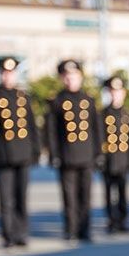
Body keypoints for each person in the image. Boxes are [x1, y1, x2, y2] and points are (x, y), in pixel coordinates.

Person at [0, 56, 40, 248]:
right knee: (6, 199)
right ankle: (8, 235)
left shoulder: (24, 97)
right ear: (0, 75)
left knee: (21, 197)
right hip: (3, 155)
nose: (8, 77)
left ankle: (21, 233)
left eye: (11, 73)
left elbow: (32, 127)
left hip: (23, 154)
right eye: (5, 73)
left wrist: (36, 151)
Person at [45, 59, 102, 242]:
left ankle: (85, 229)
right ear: (62, 79)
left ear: (80, 77)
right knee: (69, 197)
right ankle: (71, 229)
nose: (71, 80)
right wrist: (54, 154)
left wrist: (98, 153)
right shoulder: (57, 101)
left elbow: (96, 128)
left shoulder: (88, 100)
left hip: (86, 155)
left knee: (85, 195)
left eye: (74, 76)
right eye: (67, 76)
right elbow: (51, 130)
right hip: (66, 155)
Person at [100, 74, 129, 233]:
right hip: (109, 159)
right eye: (113, 91)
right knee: (109, 192)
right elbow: (100, 136)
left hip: (123, 158)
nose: (116, 94)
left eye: (119, 91)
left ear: (124, 93)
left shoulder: (127, 114)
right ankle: (111, 220)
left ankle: (122, 220)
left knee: (123, 191)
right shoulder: (103, 114)